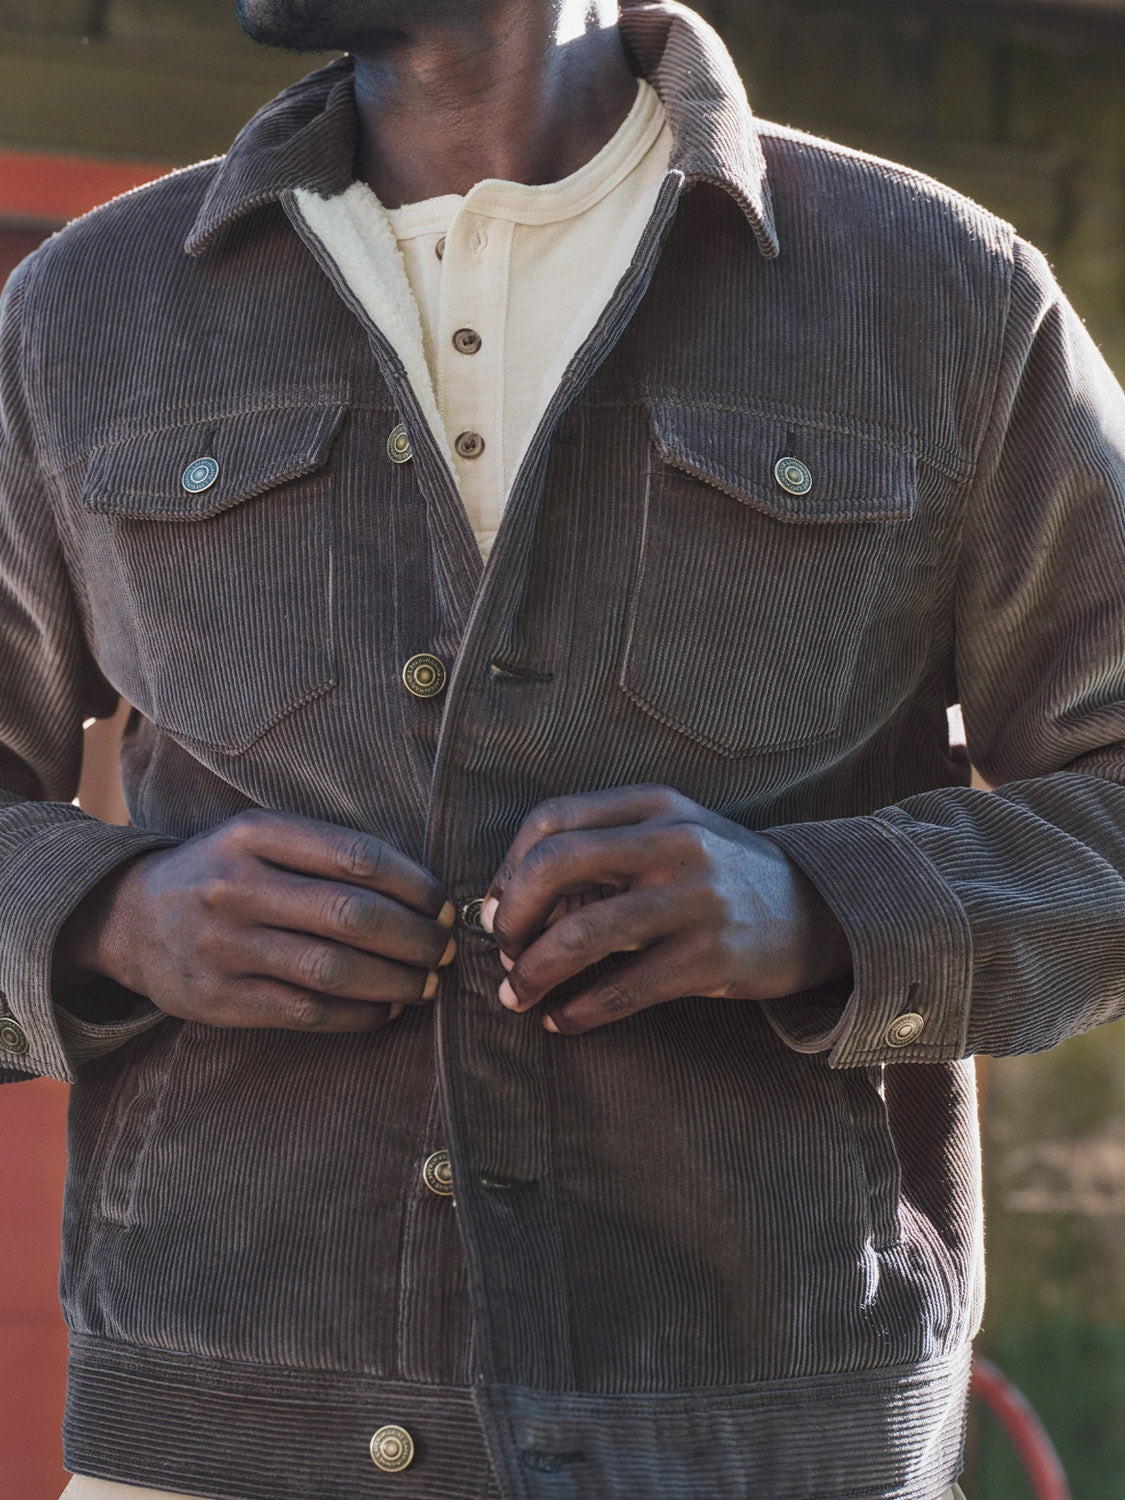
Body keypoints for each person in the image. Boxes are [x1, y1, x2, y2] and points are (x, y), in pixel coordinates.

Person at [3, 0, 1124, 1494]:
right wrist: (111, 921)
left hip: (765, 1449)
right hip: (207, 1453)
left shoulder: (945, 297)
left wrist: (824, 912)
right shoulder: (84, 313)